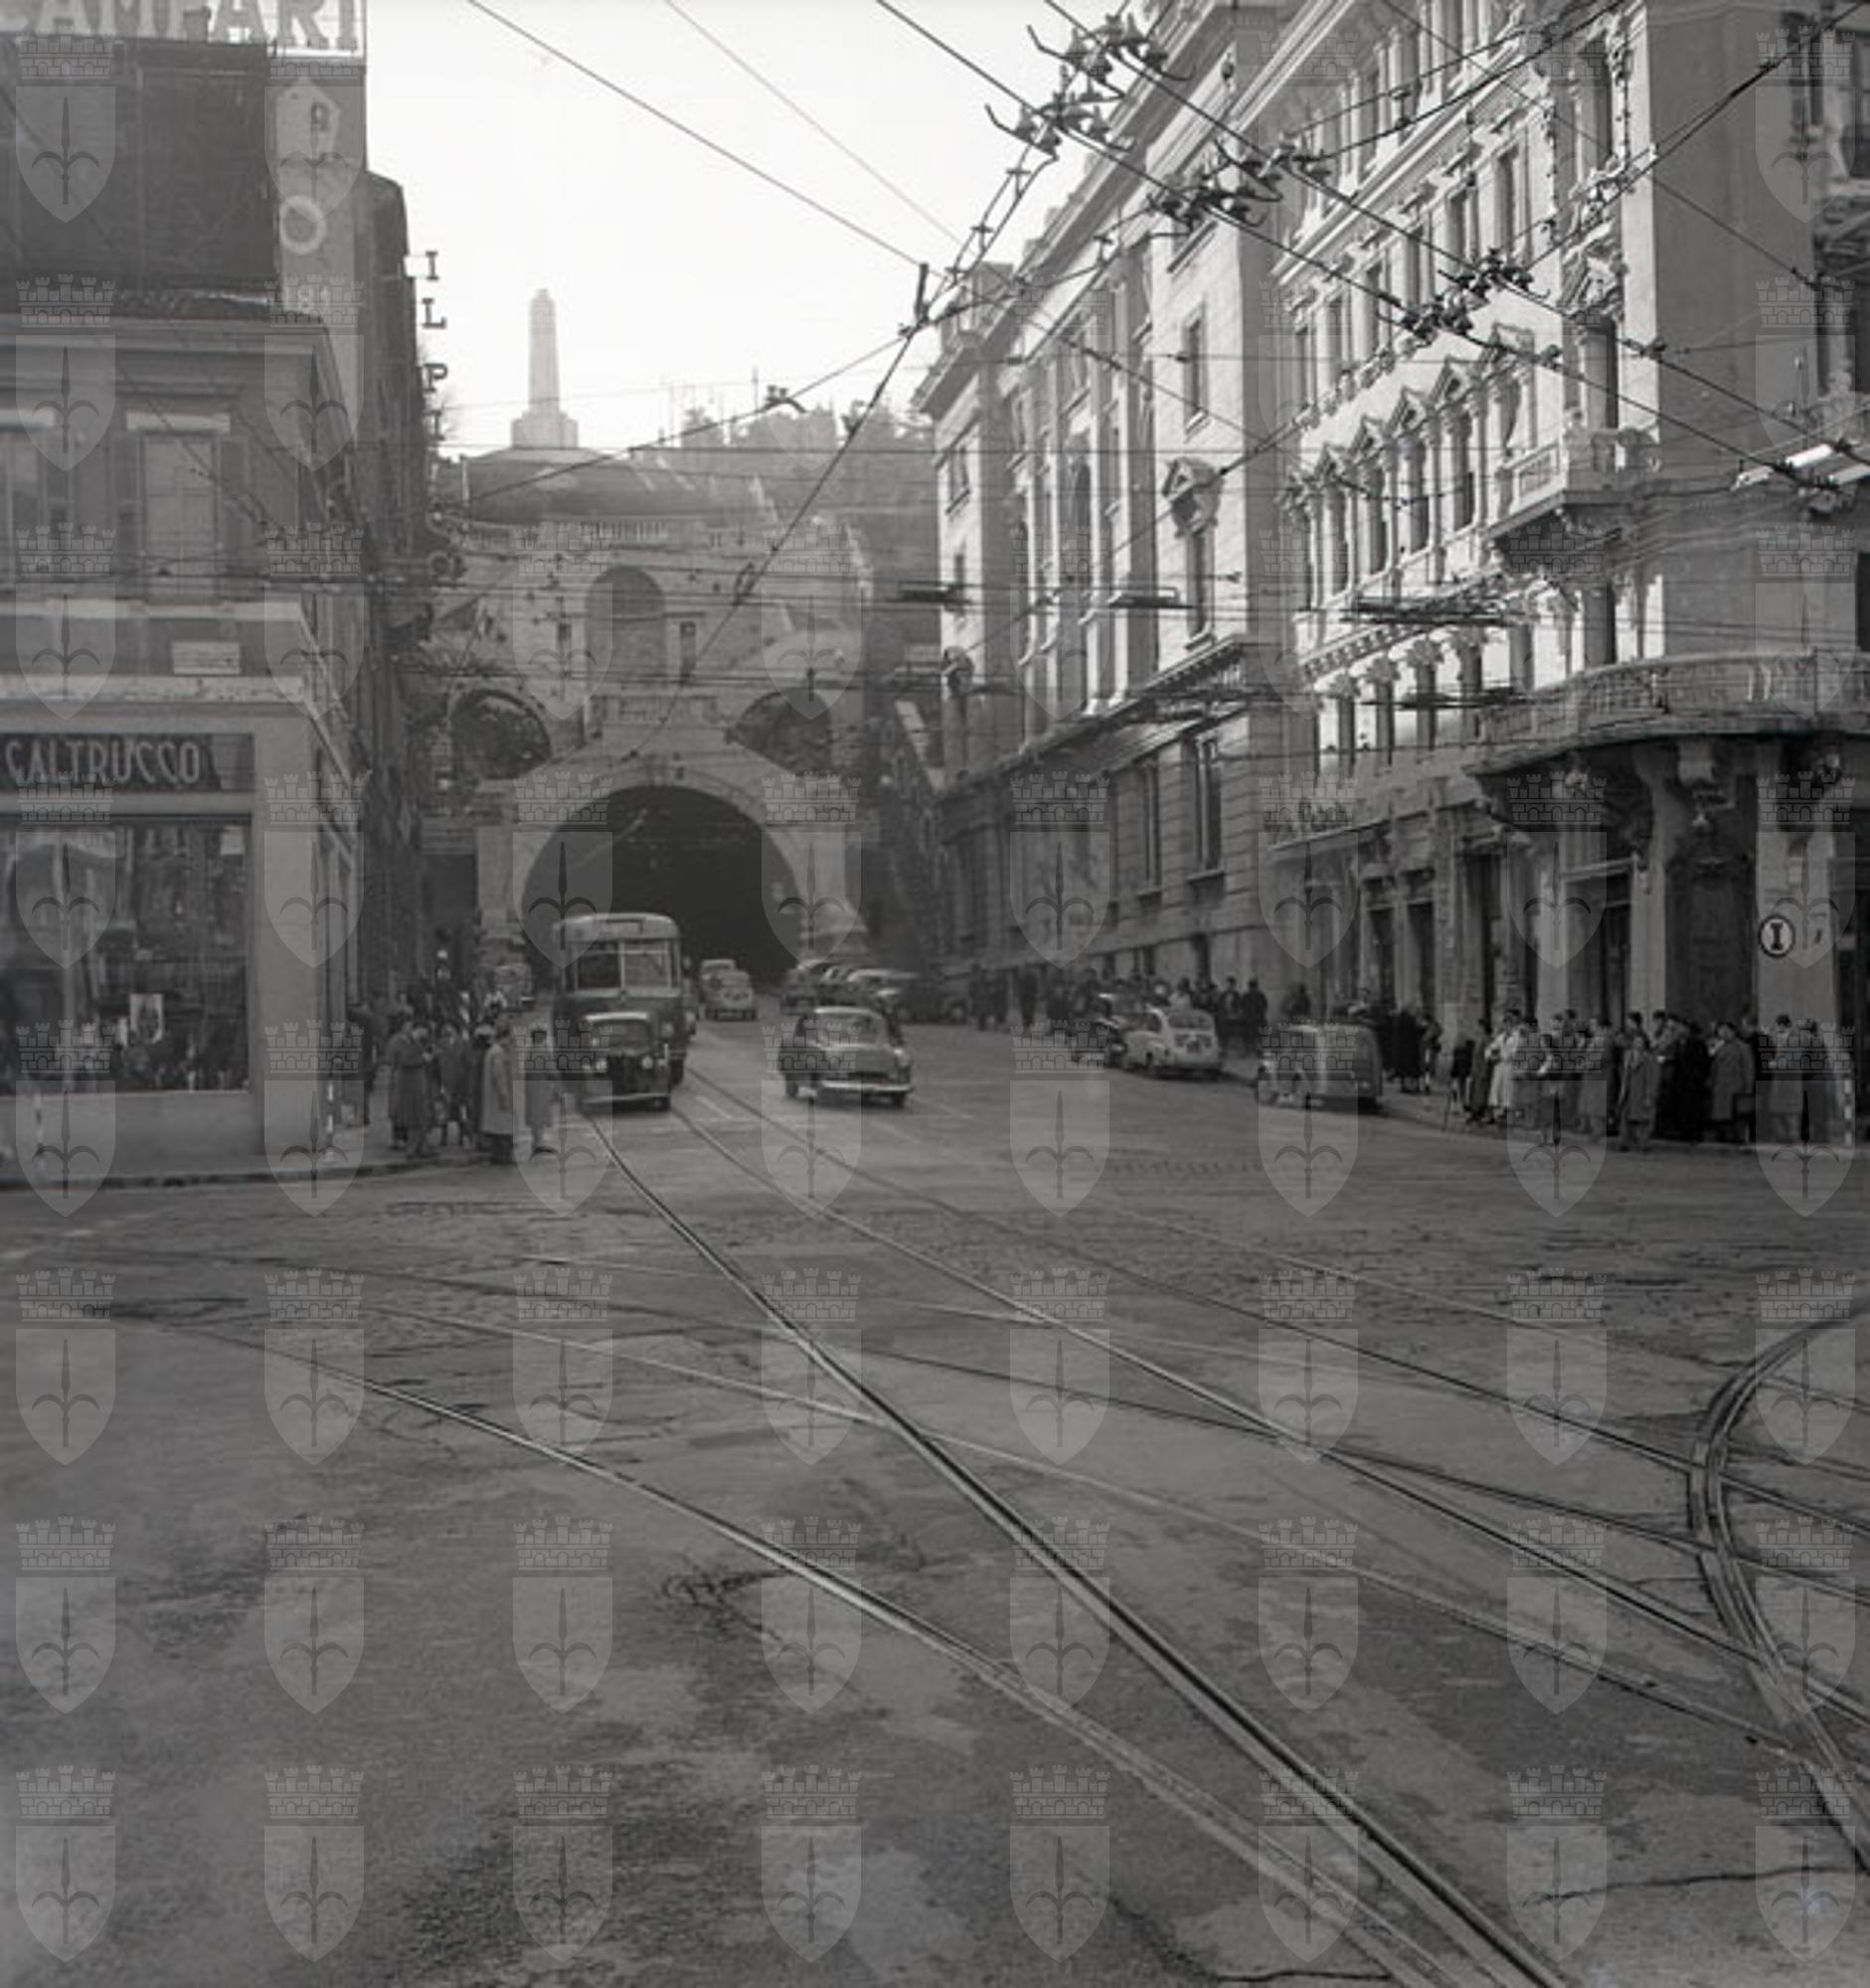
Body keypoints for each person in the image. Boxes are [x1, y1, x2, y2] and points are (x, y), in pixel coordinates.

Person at [387, 1013, 433, 1161]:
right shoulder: (402, 1041)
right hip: (410, 1084)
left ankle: (422, 1147)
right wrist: (423, 1059)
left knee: (421, 1116)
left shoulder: (414, 1041)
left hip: (419, 1083)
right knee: (414, 1117)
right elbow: (405, 1060)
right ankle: (412, 1149)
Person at [481, 1017, 519, 1165]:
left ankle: (496, 1155)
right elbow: (499, 1076)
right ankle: (504, 1156)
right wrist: (504, 1095)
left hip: (492, 1097)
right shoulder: (499, 1053)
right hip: (499, 1097)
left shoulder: (492, 1051)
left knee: (496, 1128)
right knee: (504, 1127)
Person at [1709, 1020, 1753, 1145]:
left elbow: (1748, 1068)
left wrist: (1748, 1086)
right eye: (1721, 1031)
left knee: (1736, 1115)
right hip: (1720, 1086)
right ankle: (1723, 1135)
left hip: (1735, 1086)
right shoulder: (1720, 1047)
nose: (1723, 1033)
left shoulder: (1742, 1047)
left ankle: (1737, 1137)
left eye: (1726, 1031)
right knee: (1722, 1115)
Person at [1618, 1032, 1659, 1151]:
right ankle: (1624, 1142)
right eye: (1636, 1041)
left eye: (1640, 1042)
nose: (1637, 1044)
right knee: (1625, 1117)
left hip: (1641, 1092)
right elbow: (1624, 1075)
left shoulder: (1648, 1058)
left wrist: (1649, 1096)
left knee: (1643, 1119)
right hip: (1628, 1091)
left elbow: (1652, 1079)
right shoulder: (1628, 1056)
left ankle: (1643, 1143)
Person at [525, 1025, 558, 1157]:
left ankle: (536, 1142)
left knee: (535, 1114)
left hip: (532, 1086)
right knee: (540, 1114)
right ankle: (538, 1143)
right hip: (542, 1085)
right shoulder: (543, 1050)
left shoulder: (530, 1050)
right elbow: (551, 1070)